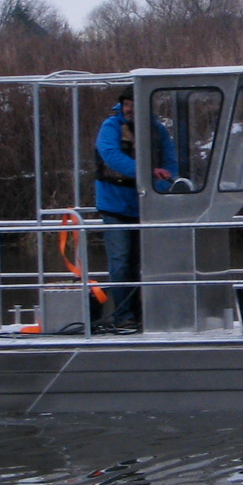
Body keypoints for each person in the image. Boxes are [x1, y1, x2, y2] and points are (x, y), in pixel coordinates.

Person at [94, 90, 177, 330]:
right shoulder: (111, 127)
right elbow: (111, 156)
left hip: (147, 204)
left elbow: (171, 161)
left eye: (134, 104)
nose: (130, 109)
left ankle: (144, 314)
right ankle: (123, 316)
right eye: (127, 104)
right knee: (120, 260)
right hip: (115, 204)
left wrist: (166, 186)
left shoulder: (158, 130)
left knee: (145, 261)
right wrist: (148, 172)